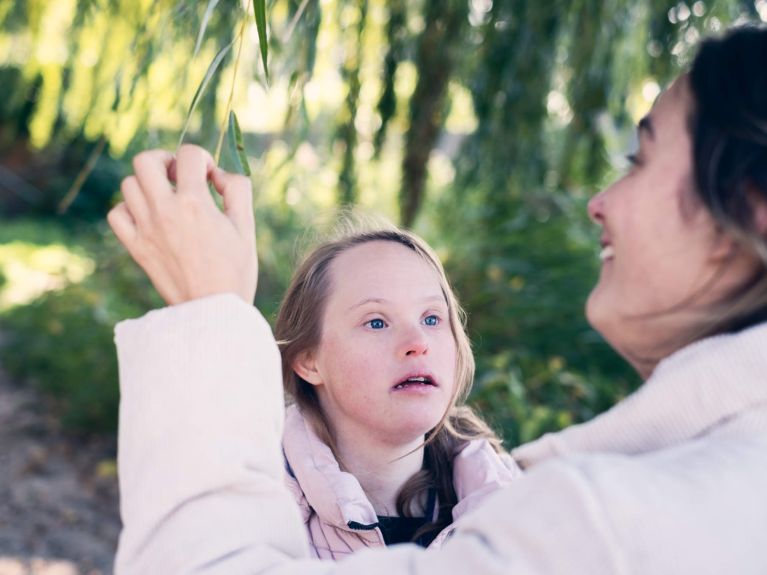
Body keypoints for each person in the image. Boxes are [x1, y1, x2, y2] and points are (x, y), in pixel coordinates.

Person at [109, 25, 767, 574]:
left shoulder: (610, 525)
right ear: (306, 357)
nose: (598, 201)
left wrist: (211, 312)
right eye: (373, 319)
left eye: (638, 158)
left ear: (745, 212)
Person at [274, 224, 520, 556]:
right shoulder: (255, 506)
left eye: (431, 319)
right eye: (376, 322)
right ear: (309, 361)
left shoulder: (516, 505)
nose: (418, 343)